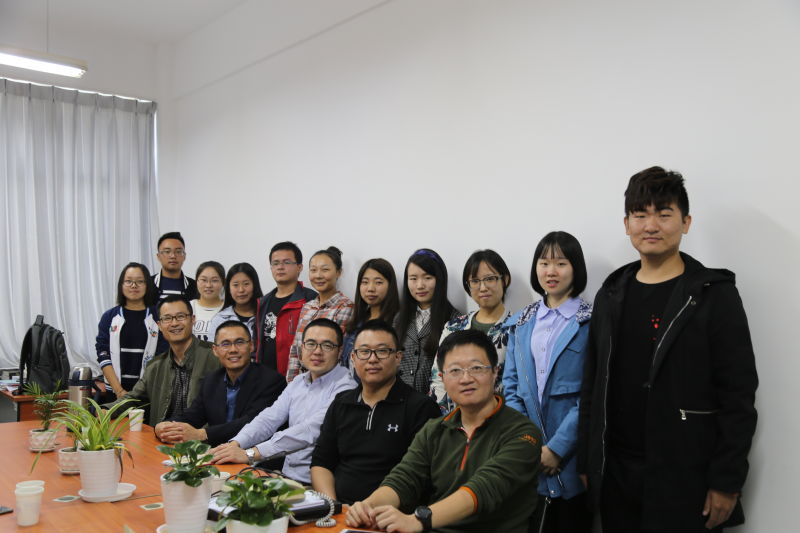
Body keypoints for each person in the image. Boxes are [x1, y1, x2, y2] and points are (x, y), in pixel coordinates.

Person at [577, 167, 758, 533]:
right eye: (640, 215)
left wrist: (727, 480)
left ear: (686, 222)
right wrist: (587, 461)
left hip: (686, 476)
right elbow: (592, 385)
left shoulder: (713, 294)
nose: (651, 225)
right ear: (626, 224)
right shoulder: (611, 293)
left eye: (664, 214)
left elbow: (738, 394)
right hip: (617, 474)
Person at [345, 329, 542, 533]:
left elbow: (483, 489)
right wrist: (367, 507)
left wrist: (418, 521)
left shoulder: (522, 432)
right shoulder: (434, 430)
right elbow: (404, 479)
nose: (466, 378)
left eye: (476, 368)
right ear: (442, 378)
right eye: (455, 371)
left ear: (494, 372)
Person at [503, 232, 593, 533]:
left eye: (561, 263)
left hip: (573, 456)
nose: (551, 271)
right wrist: (529, 443)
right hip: (528, 456)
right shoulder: (521, 322)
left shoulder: (590, 322)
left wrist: (556, 449)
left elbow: (592, 394)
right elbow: (511, 387)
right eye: (544, 263)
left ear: (576, 268)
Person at [210, 318, 357, 484]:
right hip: (286, 476)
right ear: (302, 348)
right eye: (311, 344)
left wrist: (249, 454)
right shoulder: (299, 381)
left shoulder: (346, 388)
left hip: (320, 484)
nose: (317, 351)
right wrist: (235, 444)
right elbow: (269, 418)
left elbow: (309, 431)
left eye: (327, 345)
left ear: (340, 351)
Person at [311, 320, 440, 504]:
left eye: (382, 351)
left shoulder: (421, 408)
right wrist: (334, 507)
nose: (372, 359)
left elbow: (419, 475)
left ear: (398, 357)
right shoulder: (341, 403)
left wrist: (364, 511)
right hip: (339, 508)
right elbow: (321, 462)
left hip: (392, 512)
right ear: (353, 358)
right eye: (364, 351)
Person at [155, 320, 285, 446]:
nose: (233, 349)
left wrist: (202, 434)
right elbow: (193, 415)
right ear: (215, 350)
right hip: (217, 454)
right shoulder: (211, 380)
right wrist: (164, 426)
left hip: (255, 455)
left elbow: (252, 423)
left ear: (251, 346)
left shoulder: (271, 381)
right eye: (225, 344)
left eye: (239, 342)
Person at [108, 295, 221, 426]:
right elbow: (133, 398)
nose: (174, 323)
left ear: (193, 319)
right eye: (167, 318)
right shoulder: (155, 366)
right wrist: (104, 410)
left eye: (180, 316)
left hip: (202, 436)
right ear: (159, 325)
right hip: (162, 435)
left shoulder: (216, 356)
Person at [429, 250, 512, 412]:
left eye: (490, 279)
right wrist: (447, 418)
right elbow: (438, 378)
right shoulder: (453, 327)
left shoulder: (518, 327)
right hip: (454, 418)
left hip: (500, 417)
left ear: (505, 280)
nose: (483, 287)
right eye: (475, 281)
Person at [96, 262, 165, 401]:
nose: (134, 286)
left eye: (140, 281)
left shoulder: (158, 316)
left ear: (147, 285)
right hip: (115, 391)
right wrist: (119, 391)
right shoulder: (109, 317)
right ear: (121, 285)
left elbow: (162, 356)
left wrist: (140, 392)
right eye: (128, 281)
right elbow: (103, 354)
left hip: (148, 392)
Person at [394, 248, 459, 394]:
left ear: (440, 279)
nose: (420, 285)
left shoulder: (455, 321)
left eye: (427, 277)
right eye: (413, 278)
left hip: (434, 403)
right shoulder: (399, 319)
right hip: (398, 401)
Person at [286, 247, 354, 381]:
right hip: (302, 383)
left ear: (338, 272)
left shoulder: (345, 307)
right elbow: (296, 350)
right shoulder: (307, 307)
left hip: (329, 383)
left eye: (325, 270)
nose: (318, 275)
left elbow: (339, 355)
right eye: (313, 270)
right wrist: (292, 383)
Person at [254, 241, 317, 376]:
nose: (280, 267)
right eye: (275, 263)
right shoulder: (262, 302)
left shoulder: (311, 299)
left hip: (297, 377)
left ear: (299, 267)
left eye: (287, 262)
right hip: (265, 377)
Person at [340, 258, 400, 369]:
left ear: (390, 286)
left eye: (378, 282)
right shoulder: (356, 322)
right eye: (365, 282)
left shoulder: (398, 322)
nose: (370, 288)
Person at [207, 262, 263, 342]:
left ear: (254, 285)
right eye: (235, 285)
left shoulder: (266, 315)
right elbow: (213, 347)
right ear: (229, 288)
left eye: (246, 284)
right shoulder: (220, 319)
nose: (241, 290)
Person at [152, 231, 198, 300]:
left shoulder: (195, 287)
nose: (173, 256)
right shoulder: (147, 285)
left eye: (178, 252)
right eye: (167, 251)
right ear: (158, 256)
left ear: (184, 256)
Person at [190, 261, 225, 342]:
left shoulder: (229, 309)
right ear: (197, 281)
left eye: (214, 280)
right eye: (204, 280)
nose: (208, 285)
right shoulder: (188, 307)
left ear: (223, 282)